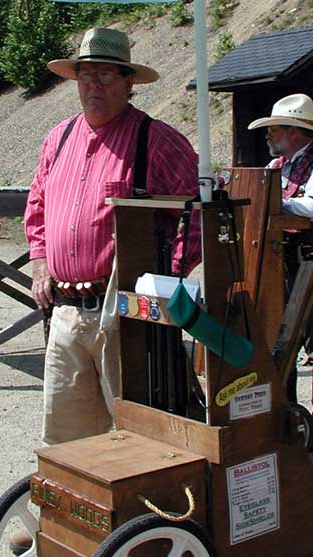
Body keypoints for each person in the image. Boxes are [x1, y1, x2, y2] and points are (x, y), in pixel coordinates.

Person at [24, 27, 201, 447]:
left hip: (124, 316)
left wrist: (170, 277)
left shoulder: (154, 139)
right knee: (66, 442)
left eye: (105, 75)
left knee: (135, 440)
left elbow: (199, 209)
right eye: (85, 75)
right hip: (65, 314)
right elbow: (37, 204)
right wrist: (40, 261)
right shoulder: (59, 136)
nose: (93, 85)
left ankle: (141, 514)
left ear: (128, 82)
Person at [248, 93, 313, 450]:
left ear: (293, 131)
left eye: (273, 130)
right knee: (280, 344)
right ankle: (288, 420)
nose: (268, 136)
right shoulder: (276, 168)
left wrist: (272, 202)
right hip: (280, 266)